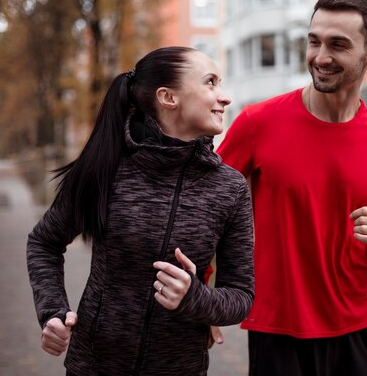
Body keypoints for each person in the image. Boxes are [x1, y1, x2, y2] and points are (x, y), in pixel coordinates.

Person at [216, 0, 367, 376]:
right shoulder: (257, 123)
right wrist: (203, 299)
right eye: (314, 41)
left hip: (351, 330)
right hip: (275, 331)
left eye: (338, 45)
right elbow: (204, 210)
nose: (321, 56)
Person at [26, 46, 254, 376]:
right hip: (93, 367)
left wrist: (195, 297)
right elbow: (44, 243)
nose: (225, 97)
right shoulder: (105, 168)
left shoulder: (229, 188)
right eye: (211, 82)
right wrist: (52, 312)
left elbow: (241, 295)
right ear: (168, 97)